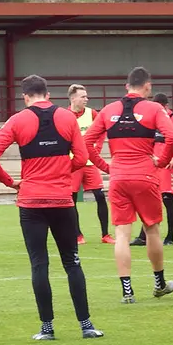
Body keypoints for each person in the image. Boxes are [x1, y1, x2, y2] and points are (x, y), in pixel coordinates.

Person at [0, 75, 103, 340]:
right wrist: (62, 170)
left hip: (31, 202)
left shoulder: (17, 120)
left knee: (39, 265)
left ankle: (47, 329)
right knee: (72, 262)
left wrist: (11, 182)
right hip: (62, 201)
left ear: (25, 97)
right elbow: (82, 158)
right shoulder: (67, 117)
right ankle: (86, 325)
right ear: (47, 94)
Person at [83, 67, 173, 303]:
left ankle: (127, 291)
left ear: (127, 86)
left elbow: (86, 141)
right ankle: (159, 283)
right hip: (145, 175)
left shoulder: (108, 110)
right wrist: (163, 161)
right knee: (152, 229)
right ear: (147, 86)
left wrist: (106, 167)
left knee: (122, 234)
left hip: (119, 177)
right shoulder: (154, 108)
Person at [131, 93, 173, 246]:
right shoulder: (154, 121)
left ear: (166, 106)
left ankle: (170, 237)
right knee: (149, 200)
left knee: (168, 200)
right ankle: (142, 236)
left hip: (168, 168)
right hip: (154, 166)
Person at [67, 84, 114, 245]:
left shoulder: (92, 114)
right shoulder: (64, 115)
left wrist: (97, 148)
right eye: (83, 96)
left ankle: (105, 234)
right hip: (73, 163)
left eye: (86, 96)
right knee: (71, 199)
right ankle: (77, 234)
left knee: (100, 196)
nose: (86, 99)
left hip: (90, 163)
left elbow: (102, 131)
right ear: (73, 98)